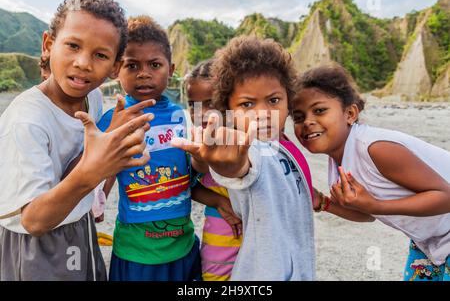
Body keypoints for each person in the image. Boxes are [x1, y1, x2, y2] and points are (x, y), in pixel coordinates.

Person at [0, 0, 152, 281]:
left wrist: (108, 143)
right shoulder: (27, 120)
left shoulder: (91, 97)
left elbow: (78, 165)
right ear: (48, 44)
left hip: (76, 222)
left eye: (100, 55)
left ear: (115, 67)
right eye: (73, 45)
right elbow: (33, 220)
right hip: (35, 245)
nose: (83, 62)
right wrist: (95, 168)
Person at [172, 36, 316, 281]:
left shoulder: (287, 148)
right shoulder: (243, 148)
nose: (262, 113)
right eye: (247, 104)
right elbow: (237, 166)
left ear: (288, 99)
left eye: (273, 100)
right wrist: (224, 164)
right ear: (228, 106)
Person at [292, 63, 450, 281]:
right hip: (429, 243)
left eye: (319, 111)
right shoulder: (338, 166)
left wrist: (377, 205)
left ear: (350, 113)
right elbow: (367, 215)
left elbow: (446, 197)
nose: (307, 122)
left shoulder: (376, 148)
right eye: (298, 117)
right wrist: (322, 202)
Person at [97, 15, 201, 281]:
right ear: (117, 69)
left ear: (171, 68)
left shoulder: (182, 116)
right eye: (132, 65)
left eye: (154, 64)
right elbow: (103, 170)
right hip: (135, 253)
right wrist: (96, 203)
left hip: (183, 246)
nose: (143, 73)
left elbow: (194, 173)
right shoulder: (114, 119)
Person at [185, 59, 243, 281]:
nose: (201, 113)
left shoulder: (246, 138)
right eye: (193, 104)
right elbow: (188, 184)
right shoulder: (195, 142)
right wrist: (219, 201)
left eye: (211, 103)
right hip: (220, 231)